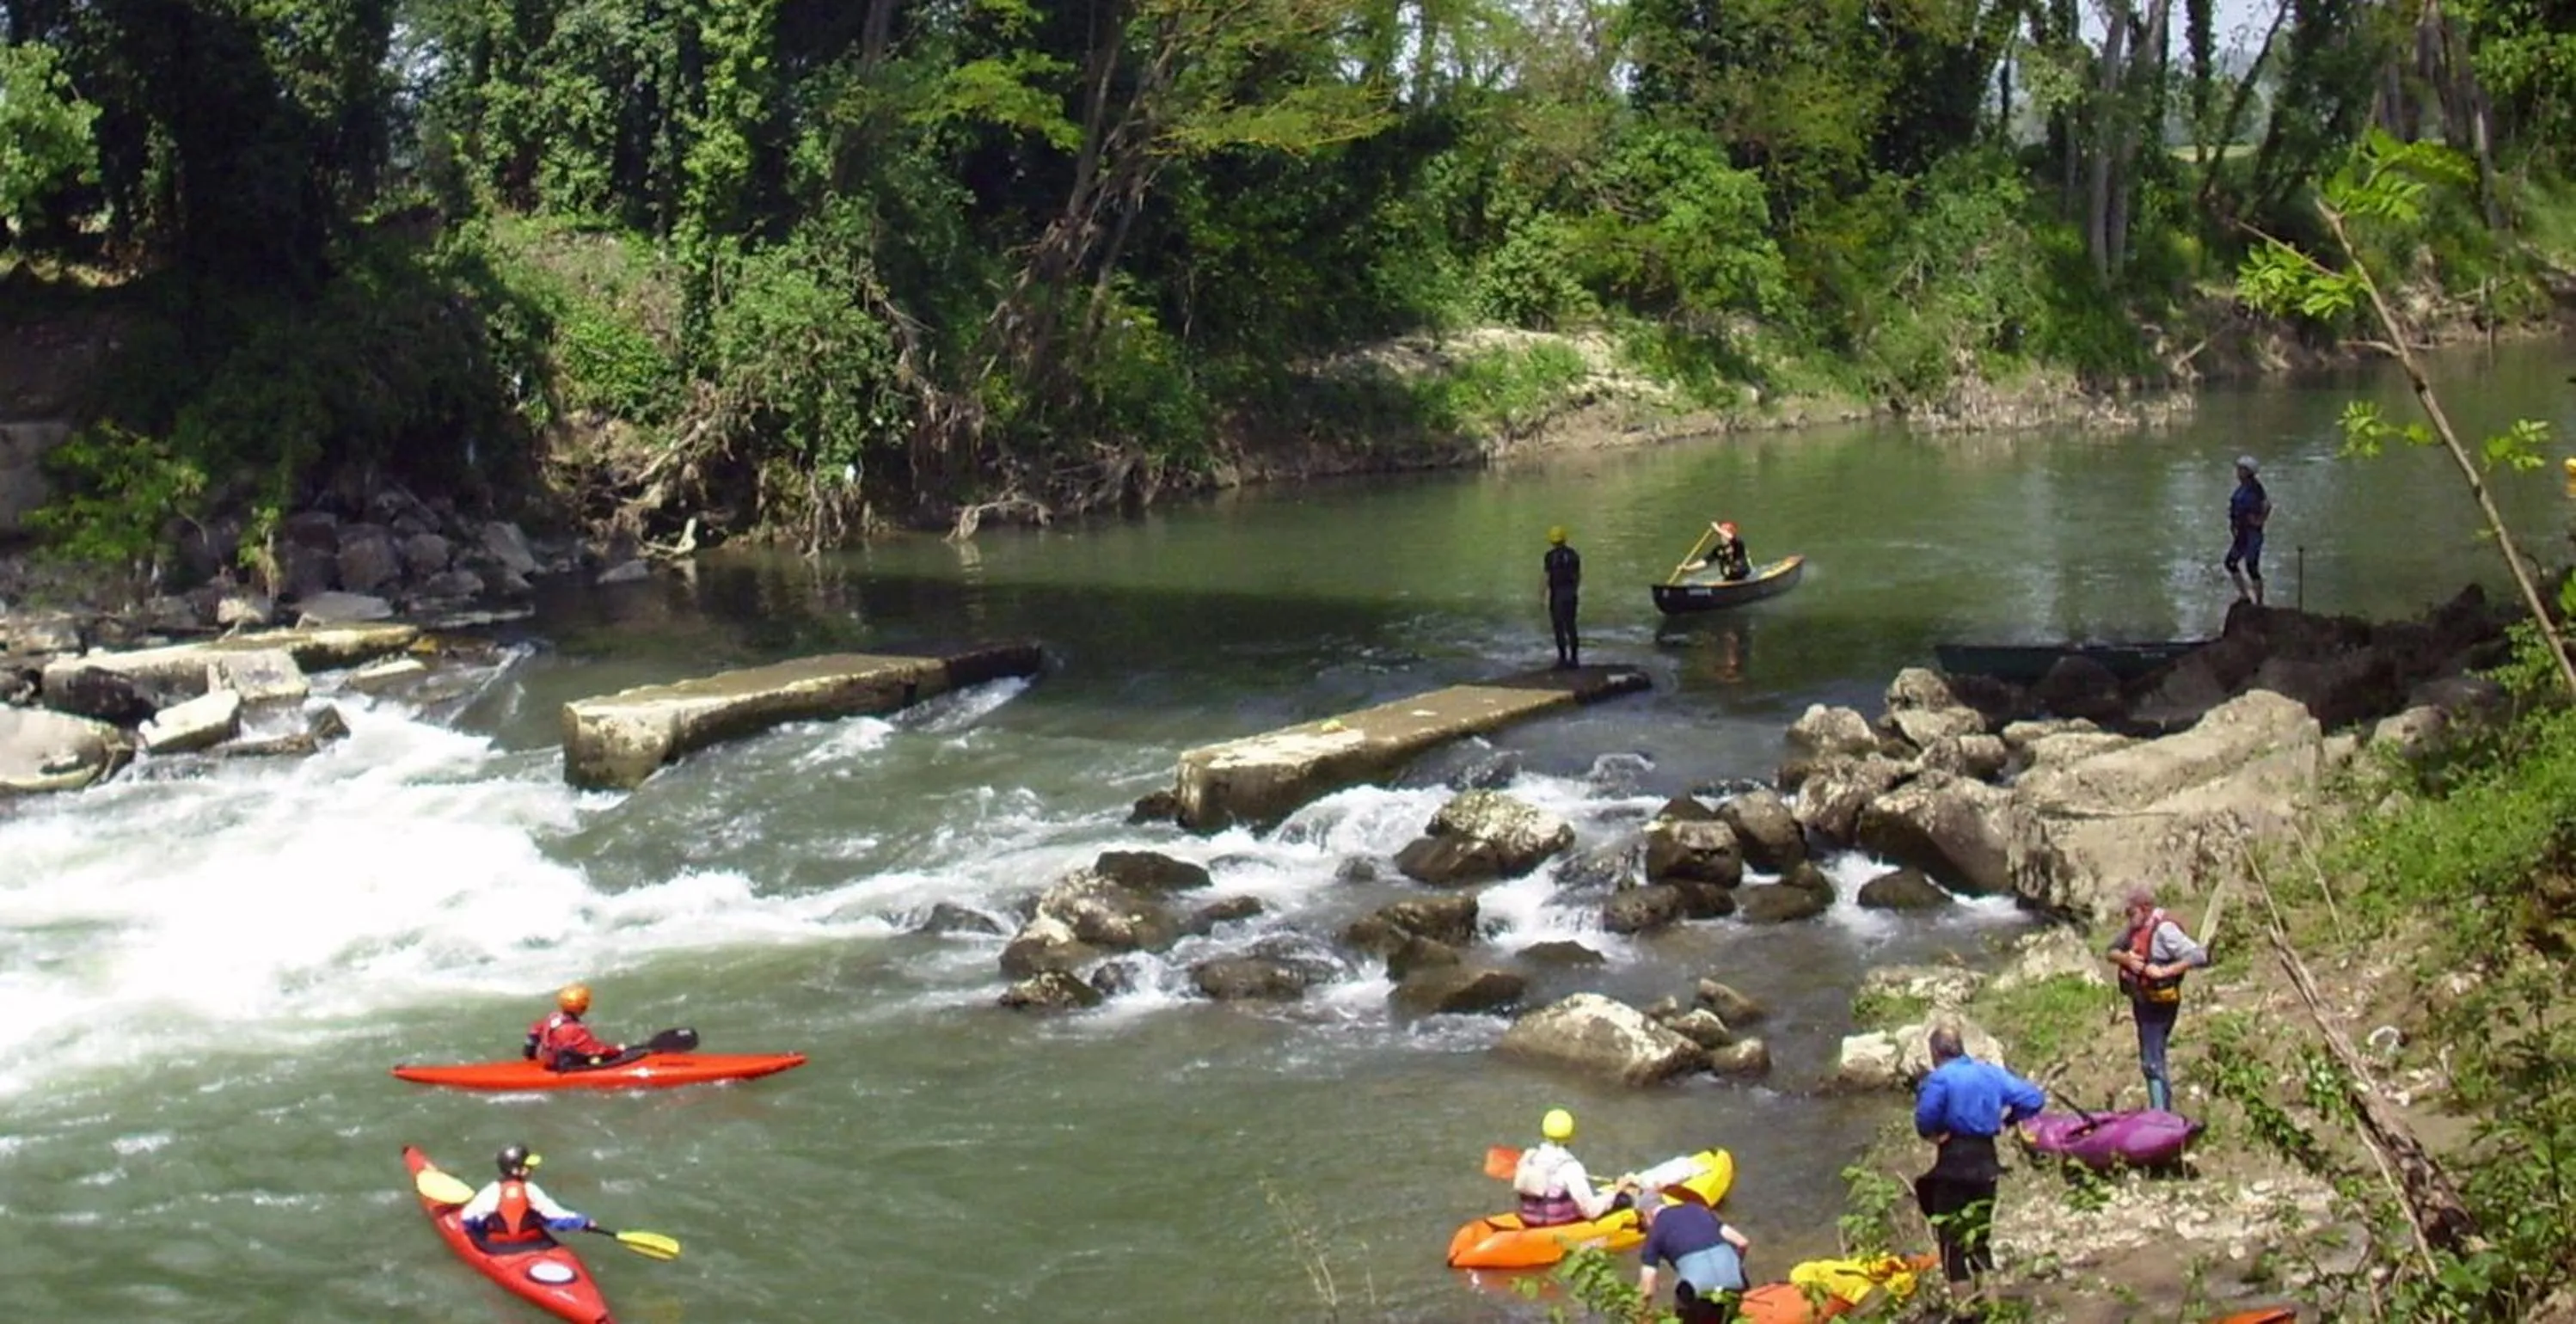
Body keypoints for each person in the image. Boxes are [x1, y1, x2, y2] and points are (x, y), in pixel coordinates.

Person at [1913, 1026, 2046, 1313]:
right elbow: (2034, 1099)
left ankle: (1964, 1312)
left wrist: (1936, 1134)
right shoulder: (1990, 1073)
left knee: (1951, 1242)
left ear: (1935, 1053)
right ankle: (1994, 1310)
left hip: (1953, 1160)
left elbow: (1925, 1120)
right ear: (1960, 1048)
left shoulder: (1939, 1080)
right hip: (1987, 1158)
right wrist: (2009, 1121)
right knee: (1980, 1239)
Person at [2107, 886, 2212, 1113]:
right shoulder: (2134, 928)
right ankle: (2161, 1110)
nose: (2128, 918)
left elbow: (2199, 955)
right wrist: (2126, 959)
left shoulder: (2164, 931)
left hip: (2161, 1004)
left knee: (2152, 1060)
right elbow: (2111, 951)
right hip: (2142, 1003)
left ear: (2145, 909)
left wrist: (2164, 972)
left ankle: (2161, 1115)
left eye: (2131, 913)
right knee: (2150, 1056)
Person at [1635, 1183, 1752, 1322]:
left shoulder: (1655, 1232)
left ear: (1646, 1214)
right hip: (1734, 1279)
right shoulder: (1697, 1210)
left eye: (1640, 1220)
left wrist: (1639, 1314)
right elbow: (1742, 1242)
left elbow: (1647, 1288)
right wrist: (1734, 1268)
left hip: (1697, 1287)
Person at [459, 1144, 597, 1254]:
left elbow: (468, 1219)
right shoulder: (531, 1190)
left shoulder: (491, 1191)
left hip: (496, 1248)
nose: (531, 1169)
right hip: (533, 1245)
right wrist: (582, 1222)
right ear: (515, 1170)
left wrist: (483, 1230)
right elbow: (555, 1218)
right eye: (527, 1167)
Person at [1512, 1107, 1620, 1227]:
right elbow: (1591, 1211)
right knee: (1623, 1199)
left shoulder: (1528, 1157)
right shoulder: (1571, 1167)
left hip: (1528, 1219)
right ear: (1571, 1135)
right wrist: (1615, 1194)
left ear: (1544, 1131)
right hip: (1556, 1225)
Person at [524, 983, 627, 1072]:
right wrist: (617, 1050)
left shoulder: (551, 1017)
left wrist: (530, 1057)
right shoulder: (575, 1029)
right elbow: (597, 1050)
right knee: (596, 1057)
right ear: (582, 1007)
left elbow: (532, 1036)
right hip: (565, 1065)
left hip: (550, 1060)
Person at [2225, 456, 2272, 605]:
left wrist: (2260, 520)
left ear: (2248, 471)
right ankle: (2245, 595)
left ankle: (2259, 602)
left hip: (2252, 533)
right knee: (2230, 563)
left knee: (2252, 566)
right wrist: (2233, 525)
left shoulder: (2255, 487)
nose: (2237, 472)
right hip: (2242, 533)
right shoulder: (2243, 487)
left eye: (2240, 469)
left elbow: (2267, 505)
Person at [1542, 526, 1582, 670]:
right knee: (1571, 626)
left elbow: (1547, 577)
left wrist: (1542, 595)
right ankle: (1575, 659)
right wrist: (1574, 590)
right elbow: (1578, 576)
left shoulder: (1550, 556)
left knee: (1559, 627)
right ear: (1564, 539)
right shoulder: (1573, 555)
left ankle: (1562, 659)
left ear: (1552, 541)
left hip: (1557, 595)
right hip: (1570, 594)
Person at [1682, 521, 1752, 581]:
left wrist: (1717, 528)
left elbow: (1731, 538)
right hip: (1729, 578)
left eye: (1723, 532)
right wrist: (1689, 568)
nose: (1721, 535)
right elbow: (1705, 561)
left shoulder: (1738, 544)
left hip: (1743, 576)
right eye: (1721, 533)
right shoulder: (1719, 550)